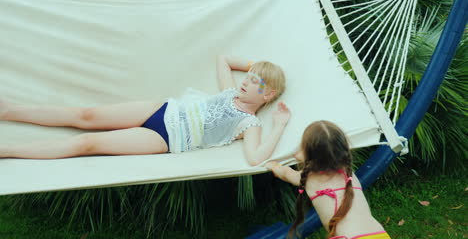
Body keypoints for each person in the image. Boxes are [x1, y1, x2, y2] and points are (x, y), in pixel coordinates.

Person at [0, 55, 290, 165]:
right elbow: (223, 59)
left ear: (268, 93)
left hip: (165, 139)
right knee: (84, 116)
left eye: (254, 82)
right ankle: (9, 110)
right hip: (161, 110)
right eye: (247, 77)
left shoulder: (249, 123)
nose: (245, 82)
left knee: (87, 144)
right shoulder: (229, 91)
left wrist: (277, 126)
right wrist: (258, 67)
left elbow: (254, 158)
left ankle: (8, 150)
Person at [266, 121, 391, 239]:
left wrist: (273, 165)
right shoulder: (348, 172)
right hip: (378, 234)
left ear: (308, 155)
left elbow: (285, 173)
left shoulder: (310, 179)